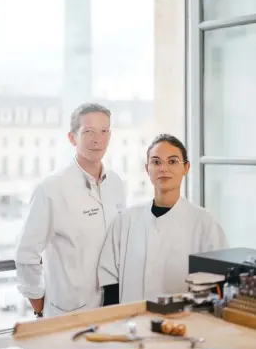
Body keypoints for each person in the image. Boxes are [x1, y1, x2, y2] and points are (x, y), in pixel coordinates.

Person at [15, 103, 125, 317]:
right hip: (68, 312)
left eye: (104, 131)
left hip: (113, 306)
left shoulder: (115, 183)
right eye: (88, 132)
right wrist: (40, 306)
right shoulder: (51, 188)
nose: (97, 139)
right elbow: (26, 253)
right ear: (72, 138)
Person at [98, 133, 228, 305]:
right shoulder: (125, 221)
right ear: (147, 169)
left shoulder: (204, 223)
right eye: (156, 162)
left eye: (172, 161)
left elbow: (217, 283)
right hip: (129, 323)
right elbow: (110, 279)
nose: (163, 168)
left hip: (184, 323)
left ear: (186, 168)